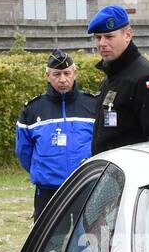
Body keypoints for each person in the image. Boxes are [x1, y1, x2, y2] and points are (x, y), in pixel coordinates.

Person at [15, 50, 96, 218]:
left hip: (87, 186)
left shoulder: (93, 105)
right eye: (56, 74)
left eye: (67, 73)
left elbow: (102, 143)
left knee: (89, 240)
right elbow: (24, 152)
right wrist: (44, 172)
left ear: (75, 73)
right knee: (51, 243)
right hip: (48, 192)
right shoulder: (32, 109)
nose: (62, 79)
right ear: (47, 76)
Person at [87, 5, 149, 154]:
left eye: (109, 36)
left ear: (127, 35)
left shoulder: (148, 80)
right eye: (98, 37)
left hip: (136, 173)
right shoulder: (112, 77)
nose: (102, 43)